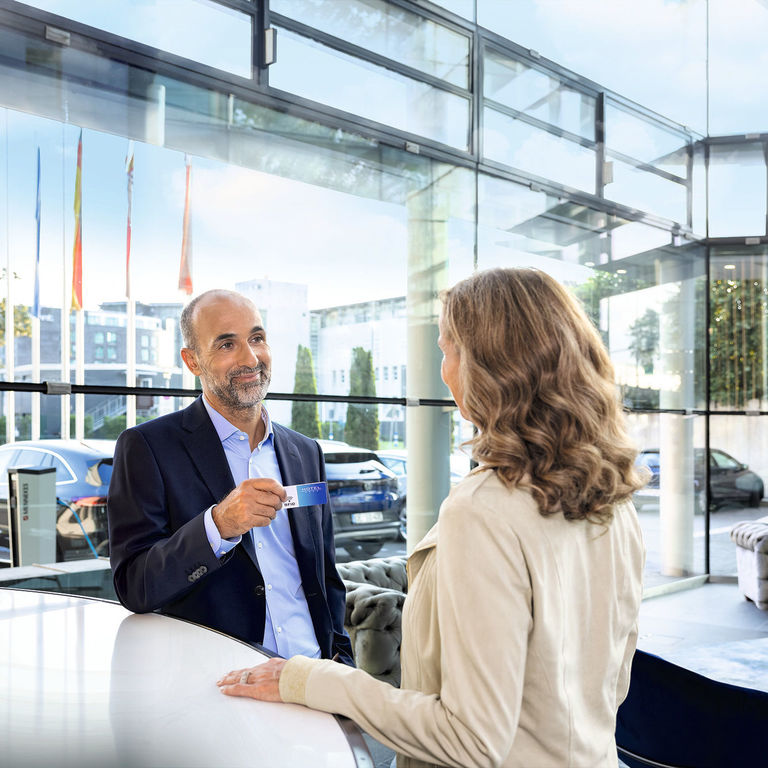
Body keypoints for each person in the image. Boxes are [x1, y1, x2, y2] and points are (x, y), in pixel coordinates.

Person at [217, 268, 646, 768]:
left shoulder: (483, 511)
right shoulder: (614, 492)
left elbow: (468, 741)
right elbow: (612, 684)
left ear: (489, 366)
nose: (443, 371)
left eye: (446, 351)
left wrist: (311, 680)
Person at [108, 289, 353, 664]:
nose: (250, 358)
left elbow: (325, 576)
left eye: (257, 338)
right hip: (223, 685)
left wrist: (340, 658)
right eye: (226, 344)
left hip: (314, 675)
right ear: (192, 361)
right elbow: (135, 586)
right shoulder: (148, 447)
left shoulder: (305, 453)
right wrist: (217, 525)